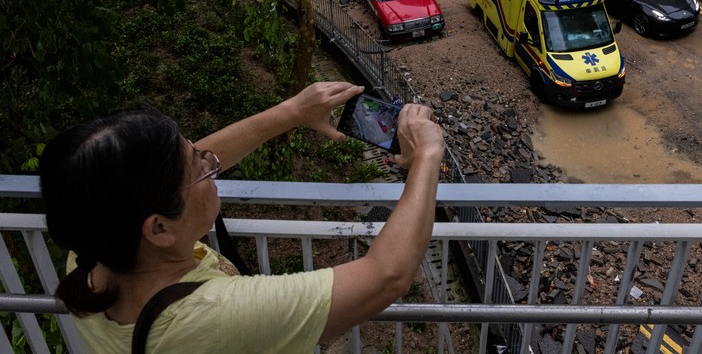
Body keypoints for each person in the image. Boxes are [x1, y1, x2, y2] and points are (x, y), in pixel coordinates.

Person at [38, 81, 446, 353]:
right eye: (197, 166)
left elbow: (161, 182)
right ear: (158, 228)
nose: (210, 164)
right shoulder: (215, 317)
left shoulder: (90, 251)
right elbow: (387, 275)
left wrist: (291, 112)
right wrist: (426, 155)